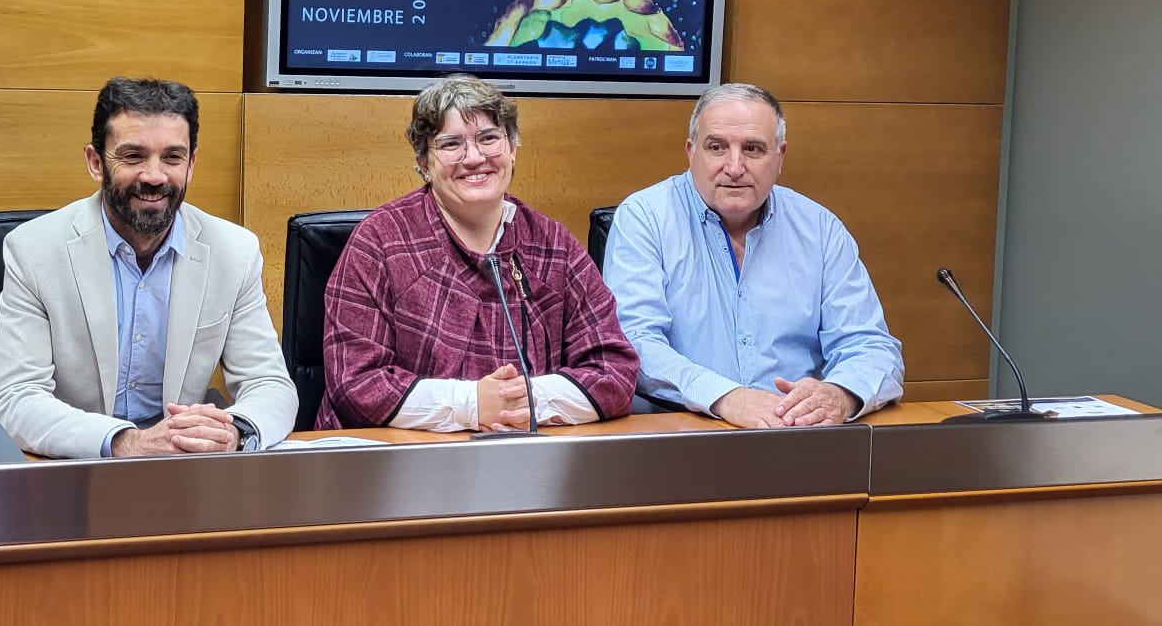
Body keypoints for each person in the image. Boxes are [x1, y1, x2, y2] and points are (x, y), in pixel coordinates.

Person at [0, 77, 297, 459]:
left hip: (182, 467)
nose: (154, 176)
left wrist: (234, 432)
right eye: (133, 156)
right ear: (96, 163)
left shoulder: (234, 252)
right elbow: (14, 398)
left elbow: (270, 385)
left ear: (191, 164)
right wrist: (126, 442)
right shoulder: (34, 250)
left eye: (172, 157)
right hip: (75, 465)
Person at [318, 74, 638, 432]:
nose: (473, 158)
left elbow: (615, 372)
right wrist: (471, 404)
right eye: (451, 144)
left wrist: (529, 400)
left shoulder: (553, 244)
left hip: (526, 456)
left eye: (488, 139)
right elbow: (355, 383)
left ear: (513, 149)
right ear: (423, 164)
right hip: (400, 458)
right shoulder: (380, 242)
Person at [604, 83, 904, 428]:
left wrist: (839, 394)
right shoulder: (646, 218)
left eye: (753, 149)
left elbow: (870, 346)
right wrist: (726, 397)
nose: (734, 167)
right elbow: (634, 343)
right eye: (716, 147)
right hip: (685, 430)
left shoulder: (820, 228)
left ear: (780, 157)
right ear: (691, 153)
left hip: (799, 434)